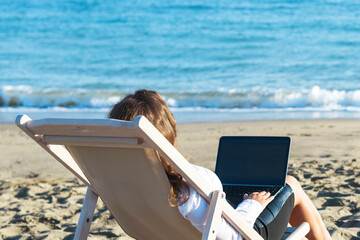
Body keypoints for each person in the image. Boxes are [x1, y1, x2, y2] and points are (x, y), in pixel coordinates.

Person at [108, 89, 332, 240]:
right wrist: (252, 205)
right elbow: (234, 236)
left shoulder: (114, 181)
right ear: (168, 131)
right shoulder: (188, 183)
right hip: (244, 232)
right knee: (291, 184)